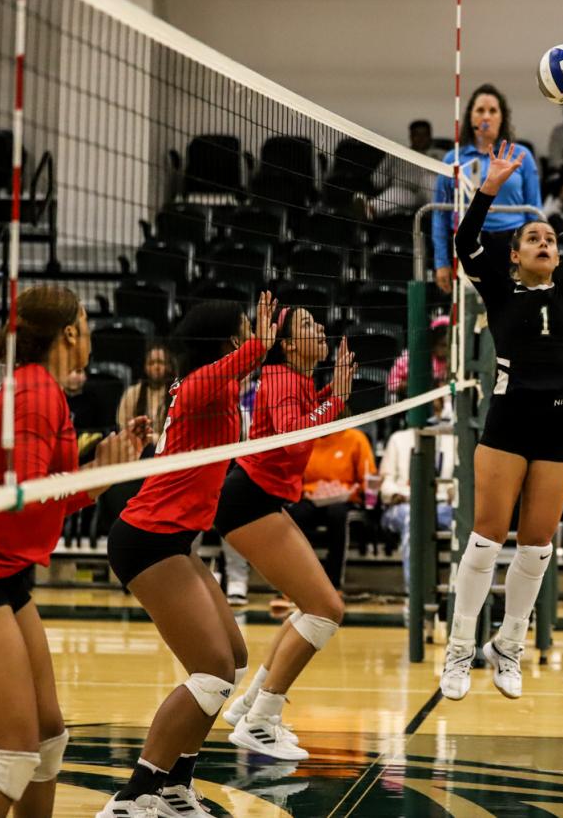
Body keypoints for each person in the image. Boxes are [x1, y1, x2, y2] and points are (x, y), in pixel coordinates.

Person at [0, 286, 148, 818]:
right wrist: (98, 476)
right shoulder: (36, 393)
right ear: (70, 332)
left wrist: (106, 465)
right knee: (14, 754)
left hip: (3, 572)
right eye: (86, 325)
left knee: (48, 737)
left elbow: (40, 492)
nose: (91, 336)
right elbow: (26, 500)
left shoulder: (38, 389)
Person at [438, 128, 563, 701]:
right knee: (485, 539)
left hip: (558, 420)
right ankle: (459, 648)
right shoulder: (498, 290)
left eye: (550, 238)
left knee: (537, 545)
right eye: (533, 239)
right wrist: (489, 190)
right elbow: (466, 242)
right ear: (516, 253)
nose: (545, 243)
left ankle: (509, 645)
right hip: (508, 418)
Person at [98, 293, 276, 818]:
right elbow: (222, 372)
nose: (250, 337)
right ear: (224, 342)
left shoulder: (215, 389)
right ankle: (133, 796)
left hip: (173, 538)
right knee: (212, 670)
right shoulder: (200, 382)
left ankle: (176, 785)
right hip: (147, 537)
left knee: (233, 659)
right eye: (243, 330)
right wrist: (259, 348)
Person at [212, 308, 356, 763]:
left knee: (313, 606)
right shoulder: (277, 377)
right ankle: (261, 721)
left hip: (259, 498)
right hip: (247, 499)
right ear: (290, 345)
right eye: (309, 327)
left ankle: (251, 707)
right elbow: (292, 439)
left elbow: (297, 425)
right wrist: (337, 401)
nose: (320, 331)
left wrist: (333, 391)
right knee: (327, 609)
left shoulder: (293, 377)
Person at [431, 84, 542, 295]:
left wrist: (533, 255)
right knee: (471, 314)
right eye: (480, 110)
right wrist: (441, 263)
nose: (486, 117)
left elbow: (534, 210)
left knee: (513, 314)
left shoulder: (521, 156)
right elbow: (440, 214)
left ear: (502, 118)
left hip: (513, 246)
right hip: (469, 243)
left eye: (493, 111)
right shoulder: (453, 159)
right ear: (470, 117)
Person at [283, 425, 378, 593]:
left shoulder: (356, 438)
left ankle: (334, 584)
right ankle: (295, 585)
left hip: (346, 500)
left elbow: (370, 476)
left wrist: (371, 504)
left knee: (338, 514)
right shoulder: (305, 440)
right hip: (312, 498)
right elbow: (293, 477)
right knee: (293, 515)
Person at [378, 412, 457, 584]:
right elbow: (386, 482)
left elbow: (456, 482)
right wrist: (397, 495)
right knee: (412, 516)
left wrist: (454, 493)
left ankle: (477, 597)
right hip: (404, 505)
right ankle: (415, 592)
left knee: (471, 523)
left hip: (441, 505)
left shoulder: (451, 439)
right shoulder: (398, 439)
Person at [366, 119, 447, 219]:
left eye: (424, 135)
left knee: (428, 179)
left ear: (430, 136)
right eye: (417, 134)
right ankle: (369, 210)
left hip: (430, 195)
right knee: (394, 193)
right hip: (407, 193)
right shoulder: (397, 154)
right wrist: (388, 179)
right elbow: (377, 180)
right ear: (411, 136)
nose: (421, 138)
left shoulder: (442, 155)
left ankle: (442, 220)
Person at [117, 342, 173, 439]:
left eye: (160, 362)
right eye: (151, 363)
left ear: (168, 367)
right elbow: (123, 427)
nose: (156, 367)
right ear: (145, 367)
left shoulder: (176, 393)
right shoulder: (132, 393)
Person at [387, 316, 451, 397]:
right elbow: (392, 384)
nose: (446, 350)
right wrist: (412, 386)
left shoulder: (453, 362)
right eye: (443, 345)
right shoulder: (411, 358)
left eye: (449, 345)